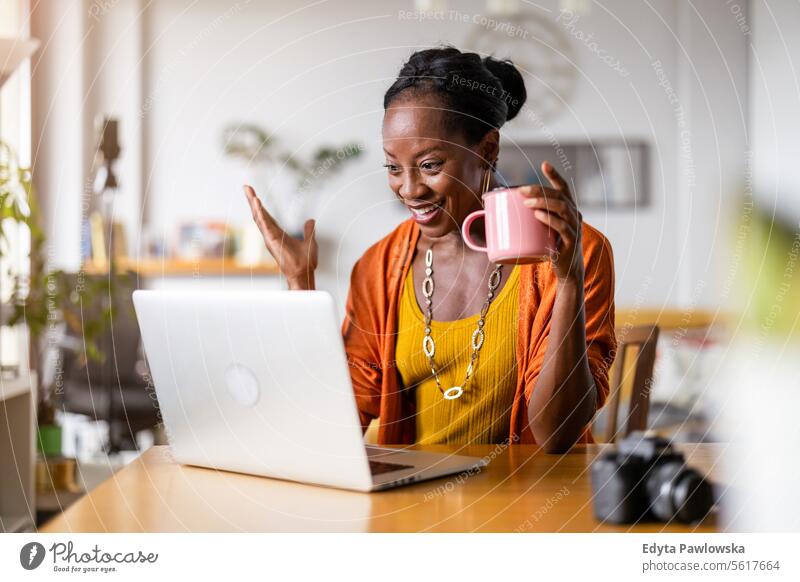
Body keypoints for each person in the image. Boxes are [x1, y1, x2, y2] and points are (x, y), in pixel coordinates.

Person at [244, 46, 616, 453]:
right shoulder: (379, 267)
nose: (409, 188)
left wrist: (568, 281)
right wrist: (300, 284)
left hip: (533, 505)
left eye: (430, 165)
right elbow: (335, 425)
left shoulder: (570, 252)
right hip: (413, 507)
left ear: (488, 150)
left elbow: (555, 434)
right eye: (392, 167)